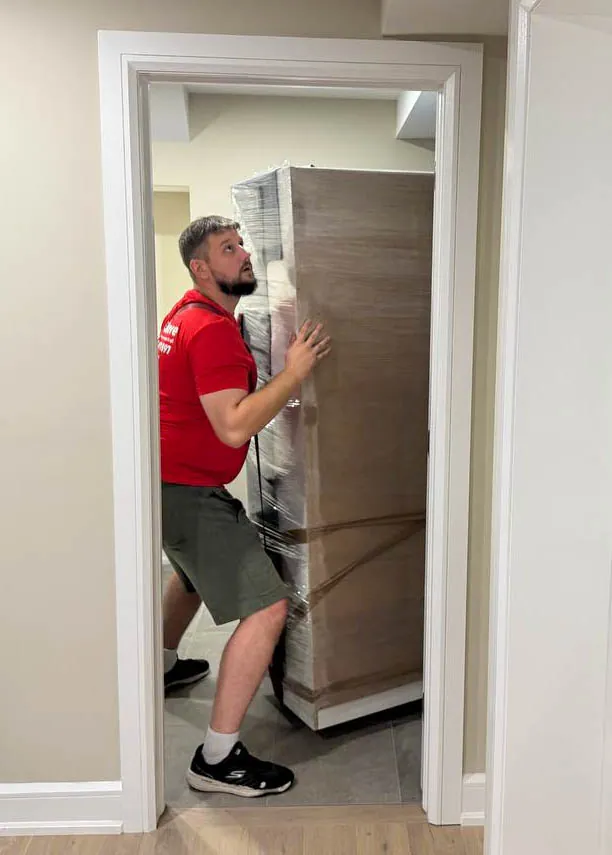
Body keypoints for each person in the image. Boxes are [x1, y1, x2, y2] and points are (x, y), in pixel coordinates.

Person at [158, 215, 331, 797]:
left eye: (241, 244)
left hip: (167, 487)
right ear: (200, 268)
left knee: (186, 577)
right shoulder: (210, 331)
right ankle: (217, 757)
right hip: (188, 493)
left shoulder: (181, 315)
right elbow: (233, 428)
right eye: (227, 250)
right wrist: (294, 373)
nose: (243, 255)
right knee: (267, 611)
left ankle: (159, 667)